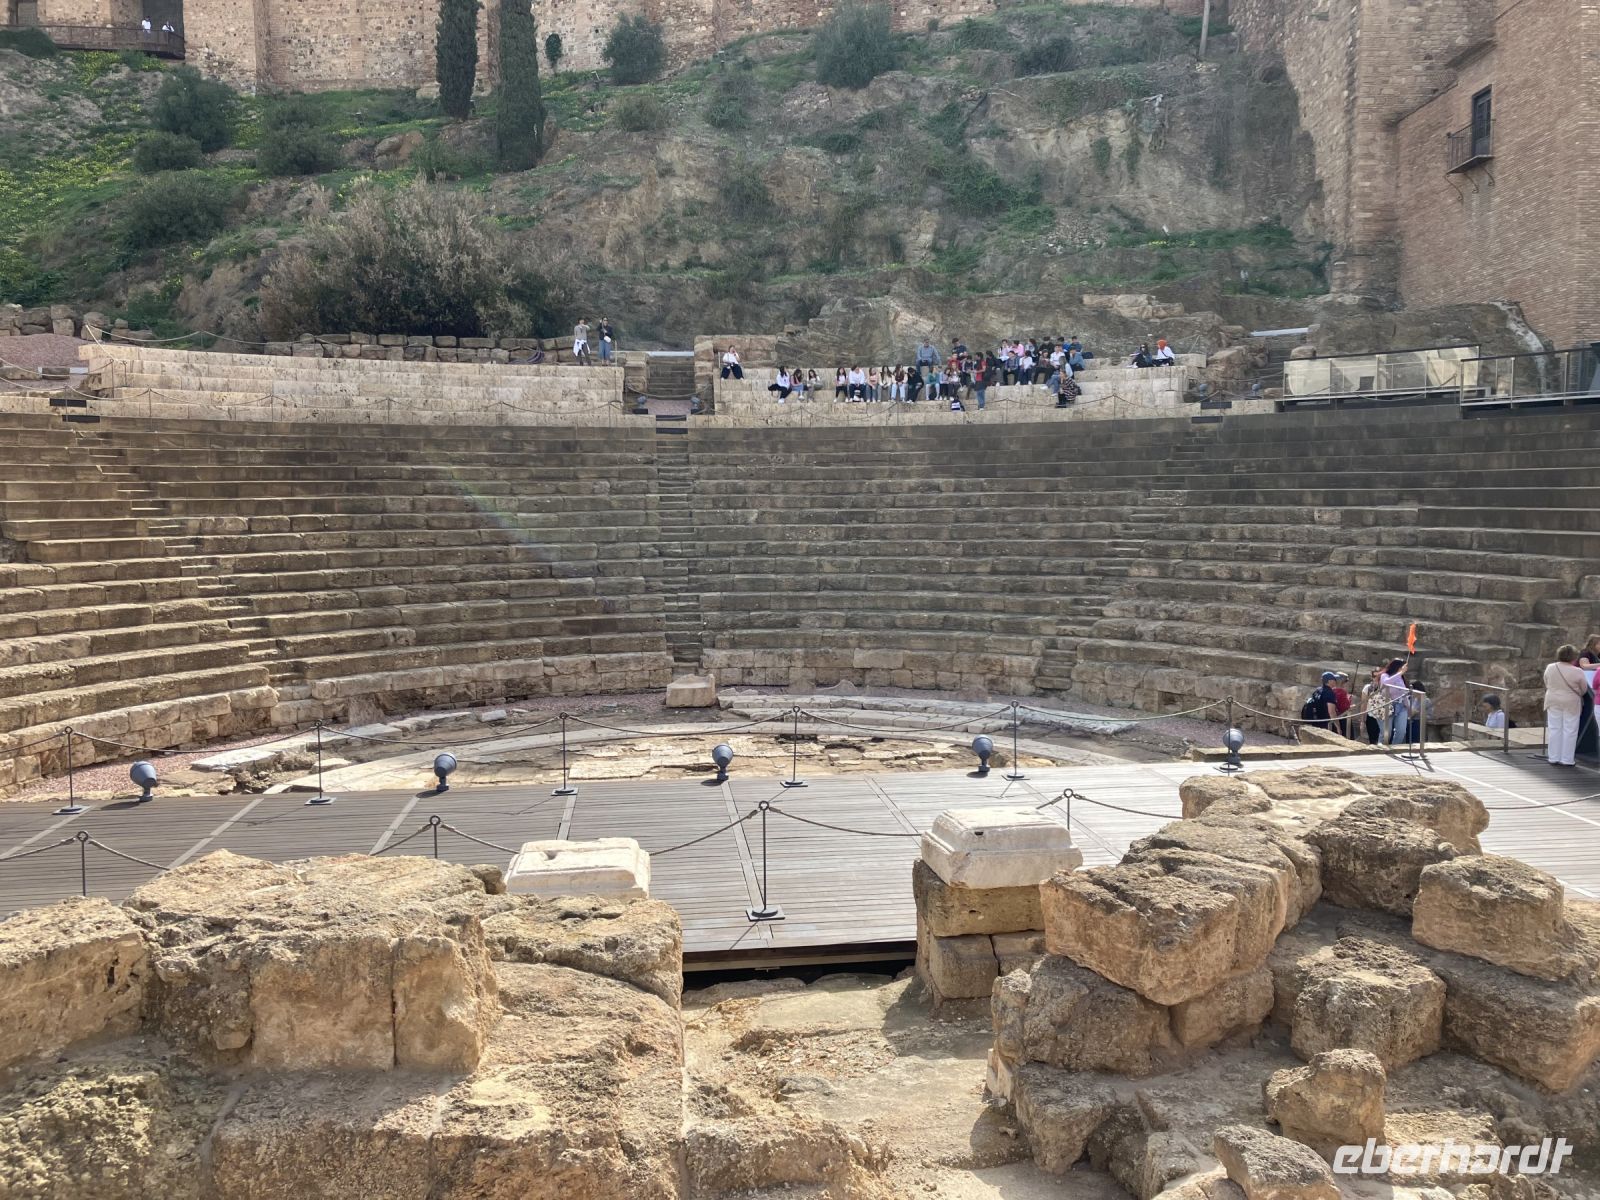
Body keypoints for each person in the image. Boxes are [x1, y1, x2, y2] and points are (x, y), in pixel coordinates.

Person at [1543, 644, 1589, 767]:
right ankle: (1567, 759)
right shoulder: (1577, 671)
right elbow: (1583, 689)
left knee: (1554, 729)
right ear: (1573, 657)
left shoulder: (1550, 667)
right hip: (1571, 702)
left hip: (1552, 700)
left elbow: (1546, 682)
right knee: (1570, 730)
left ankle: (1553, 757)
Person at [1378, 657, 1410, 745]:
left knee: (1401, 731)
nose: (1404, 669)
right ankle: (1380, 750)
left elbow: (1404, 694)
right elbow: (1386, 683)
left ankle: (1395, 748)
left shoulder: (1401, 678)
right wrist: (1400, 673)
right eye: (1402, 667)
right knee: (1386, 732)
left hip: (1401, 706)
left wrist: (1408, 707)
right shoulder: (1385, 675)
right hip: (1387, 705)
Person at [1359, 668, 1385, 745]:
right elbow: (1363, 704)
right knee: (1373, 740)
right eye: (1374, 676)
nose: (1376, 678)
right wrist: (1362, 721)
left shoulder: (1385, 687)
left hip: (1383, 716)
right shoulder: (1368, 688)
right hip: (1371, 717)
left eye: (1379, 676)